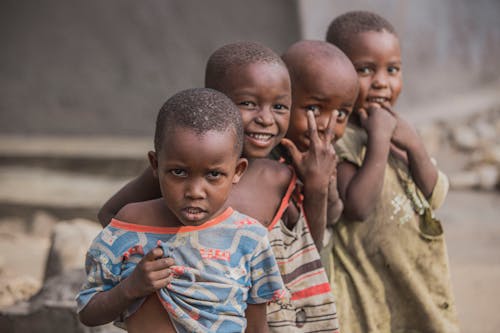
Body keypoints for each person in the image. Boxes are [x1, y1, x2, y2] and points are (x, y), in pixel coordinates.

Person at [97, 41, 340, 332]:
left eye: (279, 106)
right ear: (213, 102)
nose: (265, 118)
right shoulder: (177, 169)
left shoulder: (280, 176)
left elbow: (304, 257)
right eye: (248, 103)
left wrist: (317, 188)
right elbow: (111, 217)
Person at [76, 88, 287, 333]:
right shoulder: (128, 228)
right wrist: (130, 288)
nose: (195, 191)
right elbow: (87, 312)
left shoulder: (249, 238)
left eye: (214, 175)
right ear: (156, 165)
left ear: (238, 171)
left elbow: (257, 328)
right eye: (179, 172)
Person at [326, 10, 460, 332]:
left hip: (416, 272)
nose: (382, 82)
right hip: (368, 284)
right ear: (338, 74)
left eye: (393, 69)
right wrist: (380, 140)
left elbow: (435, 195)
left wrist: (414, 146)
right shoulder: (339, 140)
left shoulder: (400, 130)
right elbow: (357, 207)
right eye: (366, 69)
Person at [277, 40, 359, 283]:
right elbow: (304, 246)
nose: (326, 125)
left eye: (341, 114)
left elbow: (333, 214)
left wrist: (323, 184)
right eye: (313, 108)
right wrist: (314, 184)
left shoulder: (326, 156)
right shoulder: (268, 159)